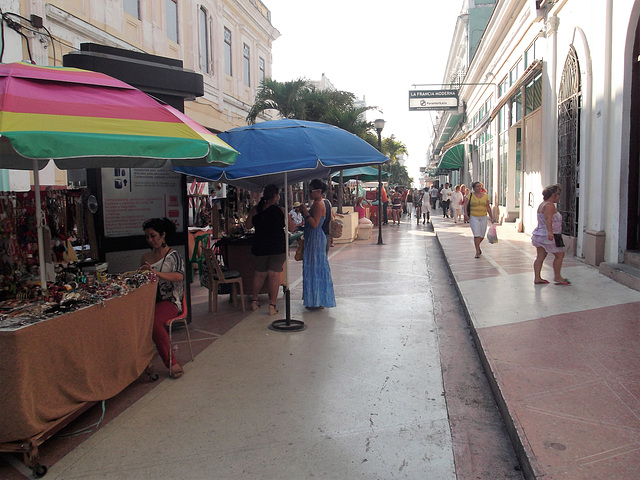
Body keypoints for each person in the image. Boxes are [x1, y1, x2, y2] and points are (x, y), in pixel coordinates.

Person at [140, 217, 185, 378]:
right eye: (147, 237)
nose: (150, 240)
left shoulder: (174, 256)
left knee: (153, 321)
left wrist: (156, 273)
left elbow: (179, 277)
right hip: (151, 302)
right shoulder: (146, 257)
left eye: (153, 236)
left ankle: (171, 363)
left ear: (163, 235)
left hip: (170, 301)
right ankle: (142, 361)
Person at [245, 184, 295, 315]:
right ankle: (272, 305)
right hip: (277, 247)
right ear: (275, 196)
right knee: (274, 275)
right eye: (278, 194)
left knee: (259, 275)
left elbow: (248, 225)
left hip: (260, 247)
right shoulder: (281, 211)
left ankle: (254, 301)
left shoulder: (256, 210)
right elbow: (292, 228)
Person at [298, 179, 336, 309]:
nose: (309, 193)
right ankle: (316, 299)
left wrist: (305, 211)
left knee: (315, 268)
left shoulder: (319, 204)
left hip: (315, 237)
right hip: (314, 237)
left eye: (310, 191)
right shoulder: (318, 203)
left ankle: (316, 300)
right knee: (315, 267)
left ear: (318, 192)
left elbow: (314, 224)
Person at [531, 184, 570, 285]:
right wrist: (550, 232)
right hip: (552, 235)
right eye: (558, 195)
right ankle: (558, 277)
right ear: (553, 195)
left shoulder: (542, 204)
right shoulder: (549, 205)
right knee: (560, 255)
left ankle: (537, 278)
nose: (559, 197)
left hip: (540, 234)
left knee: (540, 256)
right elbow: (548, 219)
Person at [463, 181, 494, 258]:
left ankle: (478, 246)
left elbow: (488, 207)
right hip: (474, 216)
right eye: (477, 186)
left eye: (480, 186)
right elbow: (465, 205)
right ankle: (477, 251)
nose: (479, 188)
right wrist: (466, 214)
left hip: (483, 216)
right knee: (476, 234)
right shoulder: (470, 195)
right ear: (474, 188)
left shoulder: (485, 196)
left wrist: (491, 217)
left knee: (482, 235)